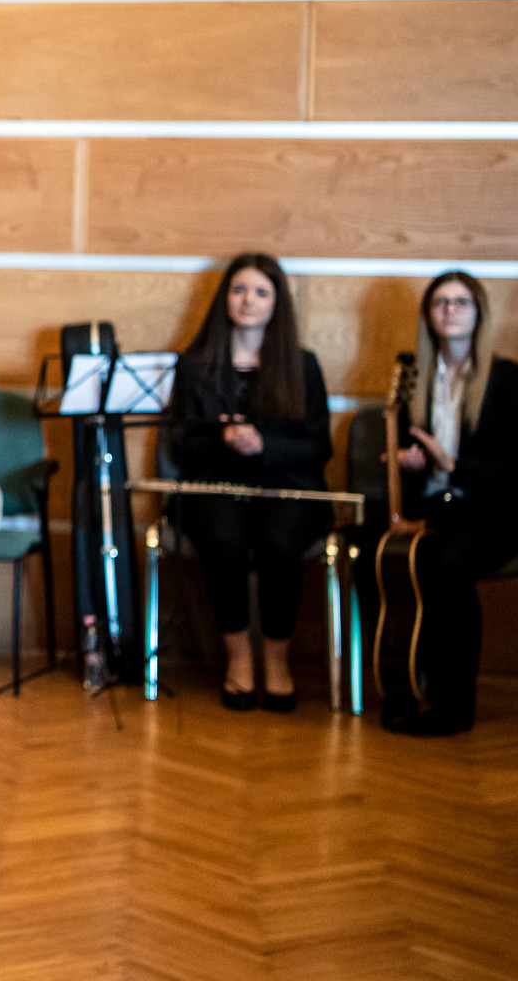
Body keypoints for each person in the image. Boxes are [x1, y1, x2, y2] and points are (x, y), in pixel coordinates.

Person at [169, 252, 332, 712]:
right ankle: (239, 658)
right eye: (239, 289)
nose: (248, 300)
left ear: (276, 303)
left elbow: (318, 446)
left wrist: (263, 445)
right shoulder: (195, 363)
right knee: (224, 539)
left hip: (287, 485)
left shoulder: (303, 364)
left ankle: (277, 661)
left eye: (261, 292)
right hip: (214, 483)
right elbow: (180, 445)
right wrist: (223, 440)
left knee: (280, 542)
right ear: (225, 297)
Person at [383, 271, 518, 735]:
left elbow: (515, 472)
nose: (450, 310)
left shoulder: (504, 377)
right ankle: (403, 686)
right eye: (440, 302)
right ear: (428, 314)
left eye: (461, 302)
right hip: (439, 509)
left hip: (494, 515)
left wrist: (453, 465)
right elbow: (416, 463)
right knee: (388, 560)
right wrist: (410, 463)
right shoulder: (414, 377)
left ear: (479, 313)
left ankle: (455, 705)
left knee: (448, 564)